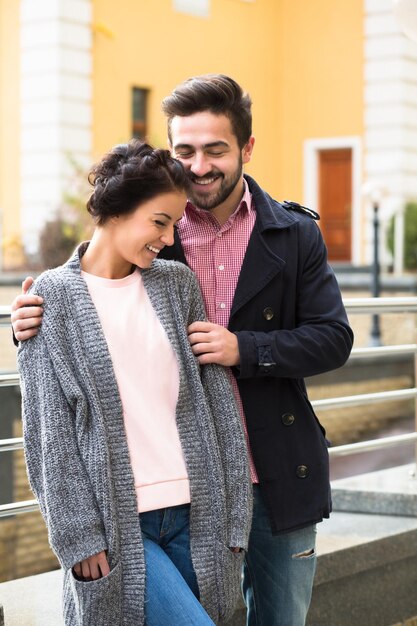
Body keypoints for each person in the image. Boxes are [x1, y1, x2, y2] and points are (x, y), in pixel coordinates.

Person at [12, 74, 354, 626]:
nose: (198, 167)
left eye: (215, 149)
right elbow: (95, 292)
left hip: (273, 473)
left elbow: (334, 337)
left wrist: (244, 347)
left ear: (246, 147)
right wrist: (34, 321)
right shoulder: (159, 240)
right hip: (175, 484)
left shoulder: (293, 234)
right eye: (185, 151)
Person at [15, 140, 252, 626]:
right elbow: (48, 434)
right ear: (117, 211)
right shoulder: (51, 299)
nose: (167, 238)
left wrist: (234, 514)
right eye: (159, 222)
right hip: (120, 524)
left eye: (173, 225)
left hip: (197, 512)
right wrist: (78, 535)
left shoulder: (176, 285)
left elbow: (217, 404)